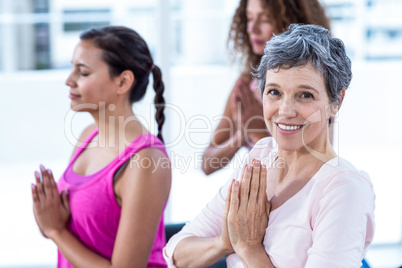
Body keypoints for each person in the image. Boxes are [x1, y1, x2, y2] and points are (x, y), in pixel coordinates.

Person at [164, 24, 375, 268]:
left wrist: (249, 247)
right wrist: (224, 241)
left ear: (336, 101)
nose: (285, 110)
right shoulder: (261, 157)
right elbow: (176, 252)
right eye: (274, 92)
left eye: (305, 95)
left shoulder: (344, 189)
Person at [31, 26, 171, 268]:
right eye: (72, 68)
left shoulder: (146, 161)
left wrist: (55, 231)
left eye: (83, 73)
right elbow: (76, 232)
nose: (69, 80)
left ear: (123, 81)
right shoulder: (88, 136)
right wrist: (50, 219)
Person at [202, 0, 331, 175]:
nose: (252, 28)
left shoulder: (315, 87)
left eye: (265, 19)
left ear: (292, 22)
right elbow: (207, 164)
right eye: (249, 18)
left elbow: (316, 168)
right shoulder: (247, 84)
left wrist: (257, 133)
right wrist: (242, 134)